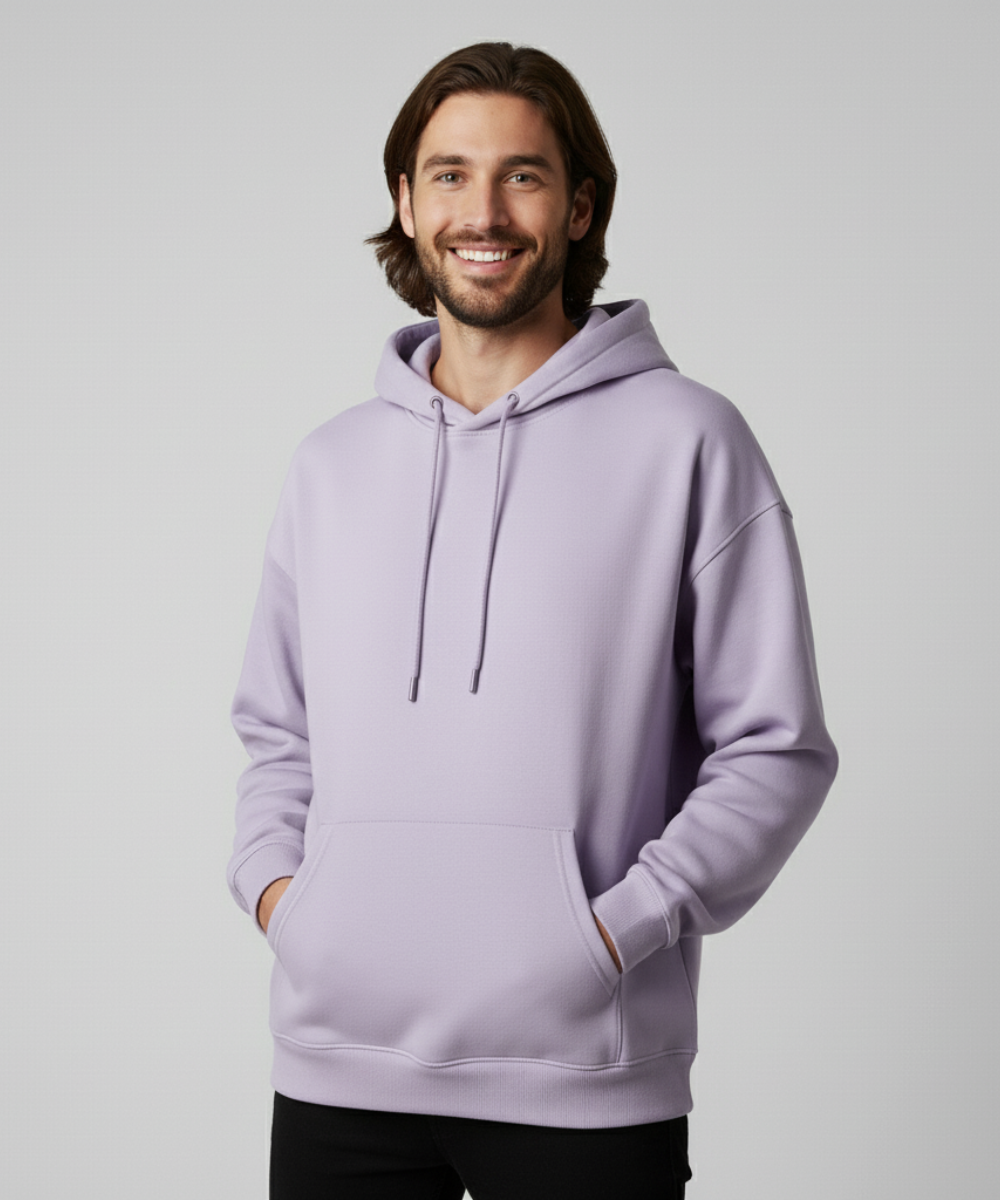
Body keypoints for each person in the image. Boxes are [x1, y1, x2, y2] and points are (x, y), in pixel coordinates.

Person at [227, 41, 838, 1200]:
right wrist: (285, 902)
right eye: (448, 174)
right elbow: (276, 731)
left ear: (579, 207)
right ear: (406, 202)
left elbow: (775, 749)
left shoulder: (688, 441)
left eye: (522, 175)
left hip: (584, 1075)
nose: (483, 211)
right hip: (337, 1070)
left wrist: (616, 933)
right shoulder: (331, 464)